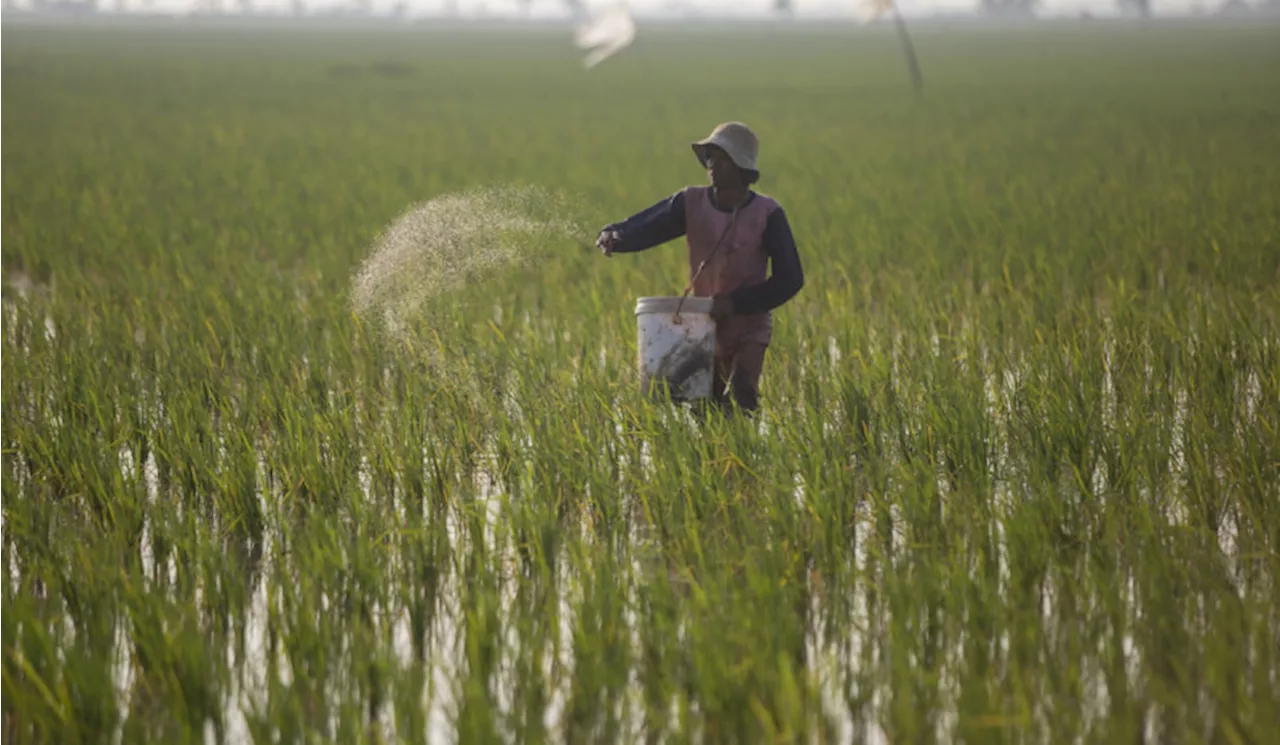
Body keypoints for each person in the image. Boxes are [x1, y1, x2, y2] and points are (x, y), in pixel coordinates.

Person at [595, 121, 804, 414]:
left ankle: (745, 454)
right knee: (706, 409)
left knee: (741, 400)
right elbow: (650, 225)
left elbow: (790, 278)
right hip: (703, 325)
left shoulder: (767, 214)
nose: (711, 165)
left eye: (720, 158)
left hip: (749, 326)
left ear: (740, 166)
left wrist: (737, 303)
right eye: (709, 157)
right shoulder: (691, 202)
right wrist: (617, 235)